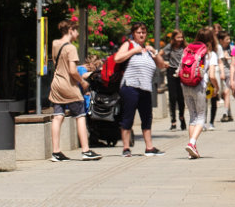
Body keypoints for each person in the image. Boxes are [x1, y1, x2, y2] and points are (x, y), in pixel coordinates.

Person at [48, 20, 101, 161]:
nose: (77, 34)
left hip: (56, 84)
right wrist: (82, 82)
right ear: (71, 30)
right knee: (81, 115)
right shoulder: (71, 48)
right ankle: (86, 150)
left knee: (58, 116)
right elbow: (72, 70)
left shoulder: (55, 44)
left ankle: (56, 152)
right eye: (76, 31)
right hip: (69, 86)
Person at [114, 22, 164, 157]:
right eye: (138, 32)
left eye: (143, 32)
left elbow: (161, 65)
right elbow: (117, 58)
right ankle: (126, 148)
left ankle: (149, 147)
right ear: (133, 34)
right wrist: (133, 51)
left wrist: (154, 52)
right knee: (128, 117)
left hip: (145, 88)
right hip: (130, 86)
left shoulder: (147, 50)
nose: (141, 35)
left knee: (147, 118)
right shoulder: (129, 45)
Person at [183, 26, 219, 158]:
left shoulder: (189, 50)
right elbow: (213, 75)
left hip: (186, 84)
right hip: (199, 85)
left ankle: (192, 149)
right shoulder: (211, 54)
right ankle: (192, 143)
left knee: (192, 116)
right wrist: (216, 88)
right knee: (201, 117)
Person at [163, 30, 187, 130]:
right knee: (172, 97)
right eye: (178, 37)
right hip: (172, 71)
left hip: (182, 71)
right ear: (173, 38)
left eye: (181, 37)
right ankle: (173, 121)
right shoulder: (170, 47)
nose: (180, 40)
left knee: (181, 97)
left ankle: (181, 117)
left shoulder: (185, 47)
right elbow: (161, 53)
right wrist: (165, 62)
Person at [217, 30, 235, 122]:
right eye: (226, 39)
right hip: (220, 73)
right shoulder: (217, 48)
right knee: (225, 93)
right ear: (221, 40)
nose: (228, 41)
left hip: (230, 72)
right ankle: (227, 114)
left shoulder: (232, 48)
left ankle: (226, 113)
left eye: (229, 39)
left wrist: (229, 57)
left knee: (228, 92)